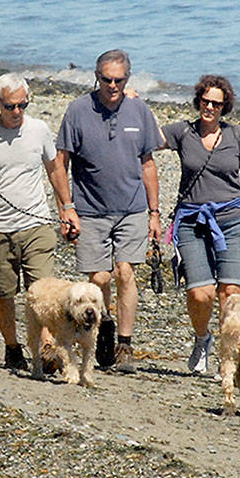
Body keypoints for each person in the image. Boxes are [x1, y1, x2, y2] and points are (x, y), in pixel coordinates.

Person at [54, 49, 163, 373]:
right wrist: (67, 208)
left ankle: (125, 345)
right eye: (106, 79)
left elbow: (148, 164)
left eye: (118, 80)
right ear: (96, 77)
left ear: (127, 79)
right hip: (89, 208)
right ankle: (103, 330)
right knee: (99, 276)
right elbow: (60, 163)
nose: (112, 85)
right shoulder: (78, 111)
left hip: (131, 208)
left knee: (125, 273)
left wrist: (154, 213)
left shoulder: (139, 111)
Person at [0, 73, 72, 371]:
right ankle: (12, 347)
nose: (17, 111)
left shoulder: (39, 130)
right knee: (4, 293)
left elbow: (55, 169)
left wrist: (67, 207)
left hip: (36, 224)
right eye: (10, 106)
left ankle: (47, 348)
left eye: (23, 104)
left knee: (43, 290)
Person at [159, 74, 240, 375]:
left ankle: (228, 356)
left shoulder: (237, 136)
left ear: (224, 106)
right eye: (205, 101)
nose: (210, 107)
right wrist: (130, 102)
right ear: (198, 101)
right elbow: (144, 138)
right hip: (192, 220)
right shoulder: (182, 132)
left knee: (230, 293)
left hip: (234, 219)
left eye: (216, 103)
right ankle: (203, 338)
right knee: (200, 293)